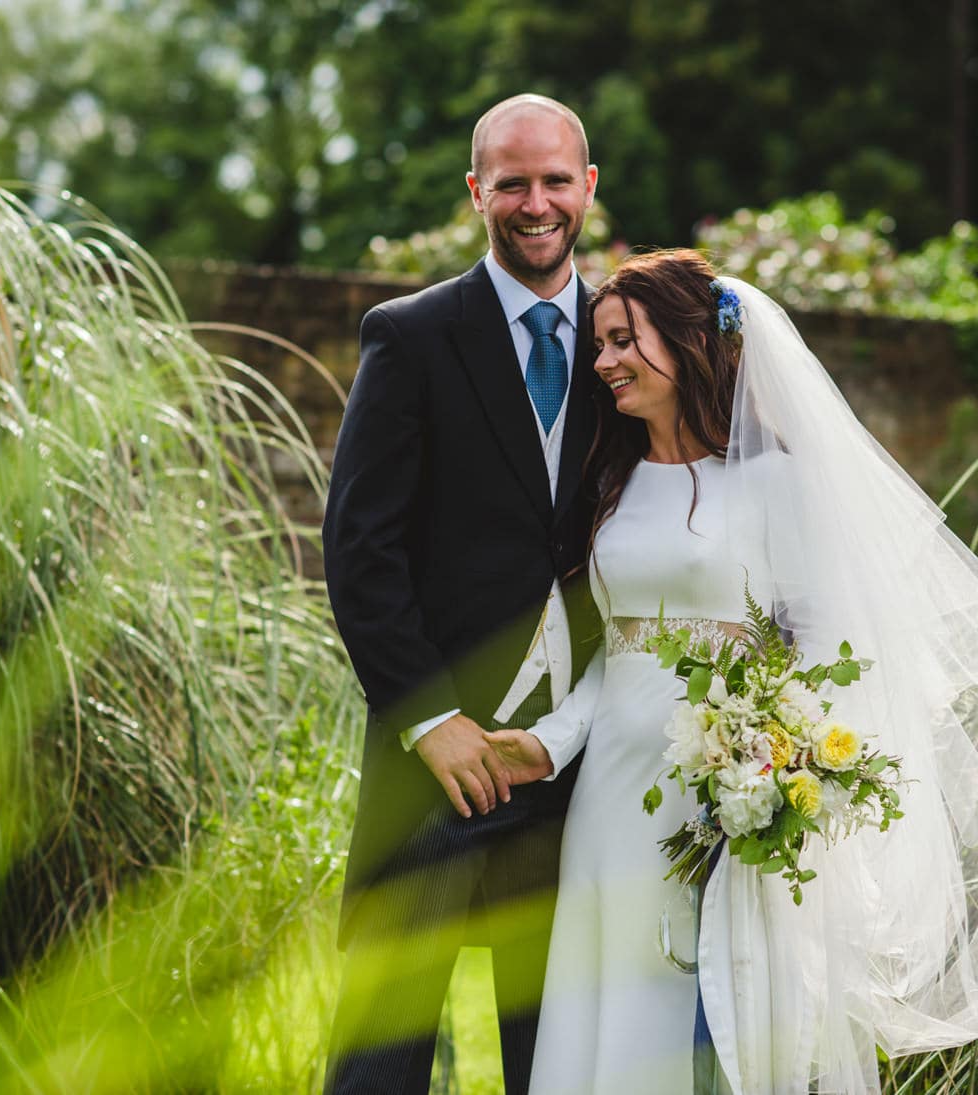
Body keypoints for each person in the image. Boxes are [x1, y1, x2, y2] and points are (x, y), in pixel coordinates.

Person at [489, 249, 978, 1094]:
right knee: (613, 1005)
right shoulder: (613, 482)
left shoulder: (775, 484)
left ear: (684, 343)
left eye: (621, 341)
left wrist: (770, 760)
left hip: (728, 797)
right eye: (599, 343)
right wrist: (549, 741)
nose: (600, 363)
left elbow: (829, 646)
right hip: (611, 795)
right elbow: (621, 648)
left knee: (723, 1014)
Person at [319, 93, 603, 1095]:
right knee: (382, 1058)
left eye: (554, 180)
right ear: (476, 191)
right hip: (430, 771)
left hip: (576, 775)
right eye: (512, 182)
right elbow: (360, 550)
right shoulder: (411, 336)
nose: (535, 203)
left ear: (588, 189)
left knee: (557, 1056)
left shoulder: (629, 342)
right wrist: (429, 716)